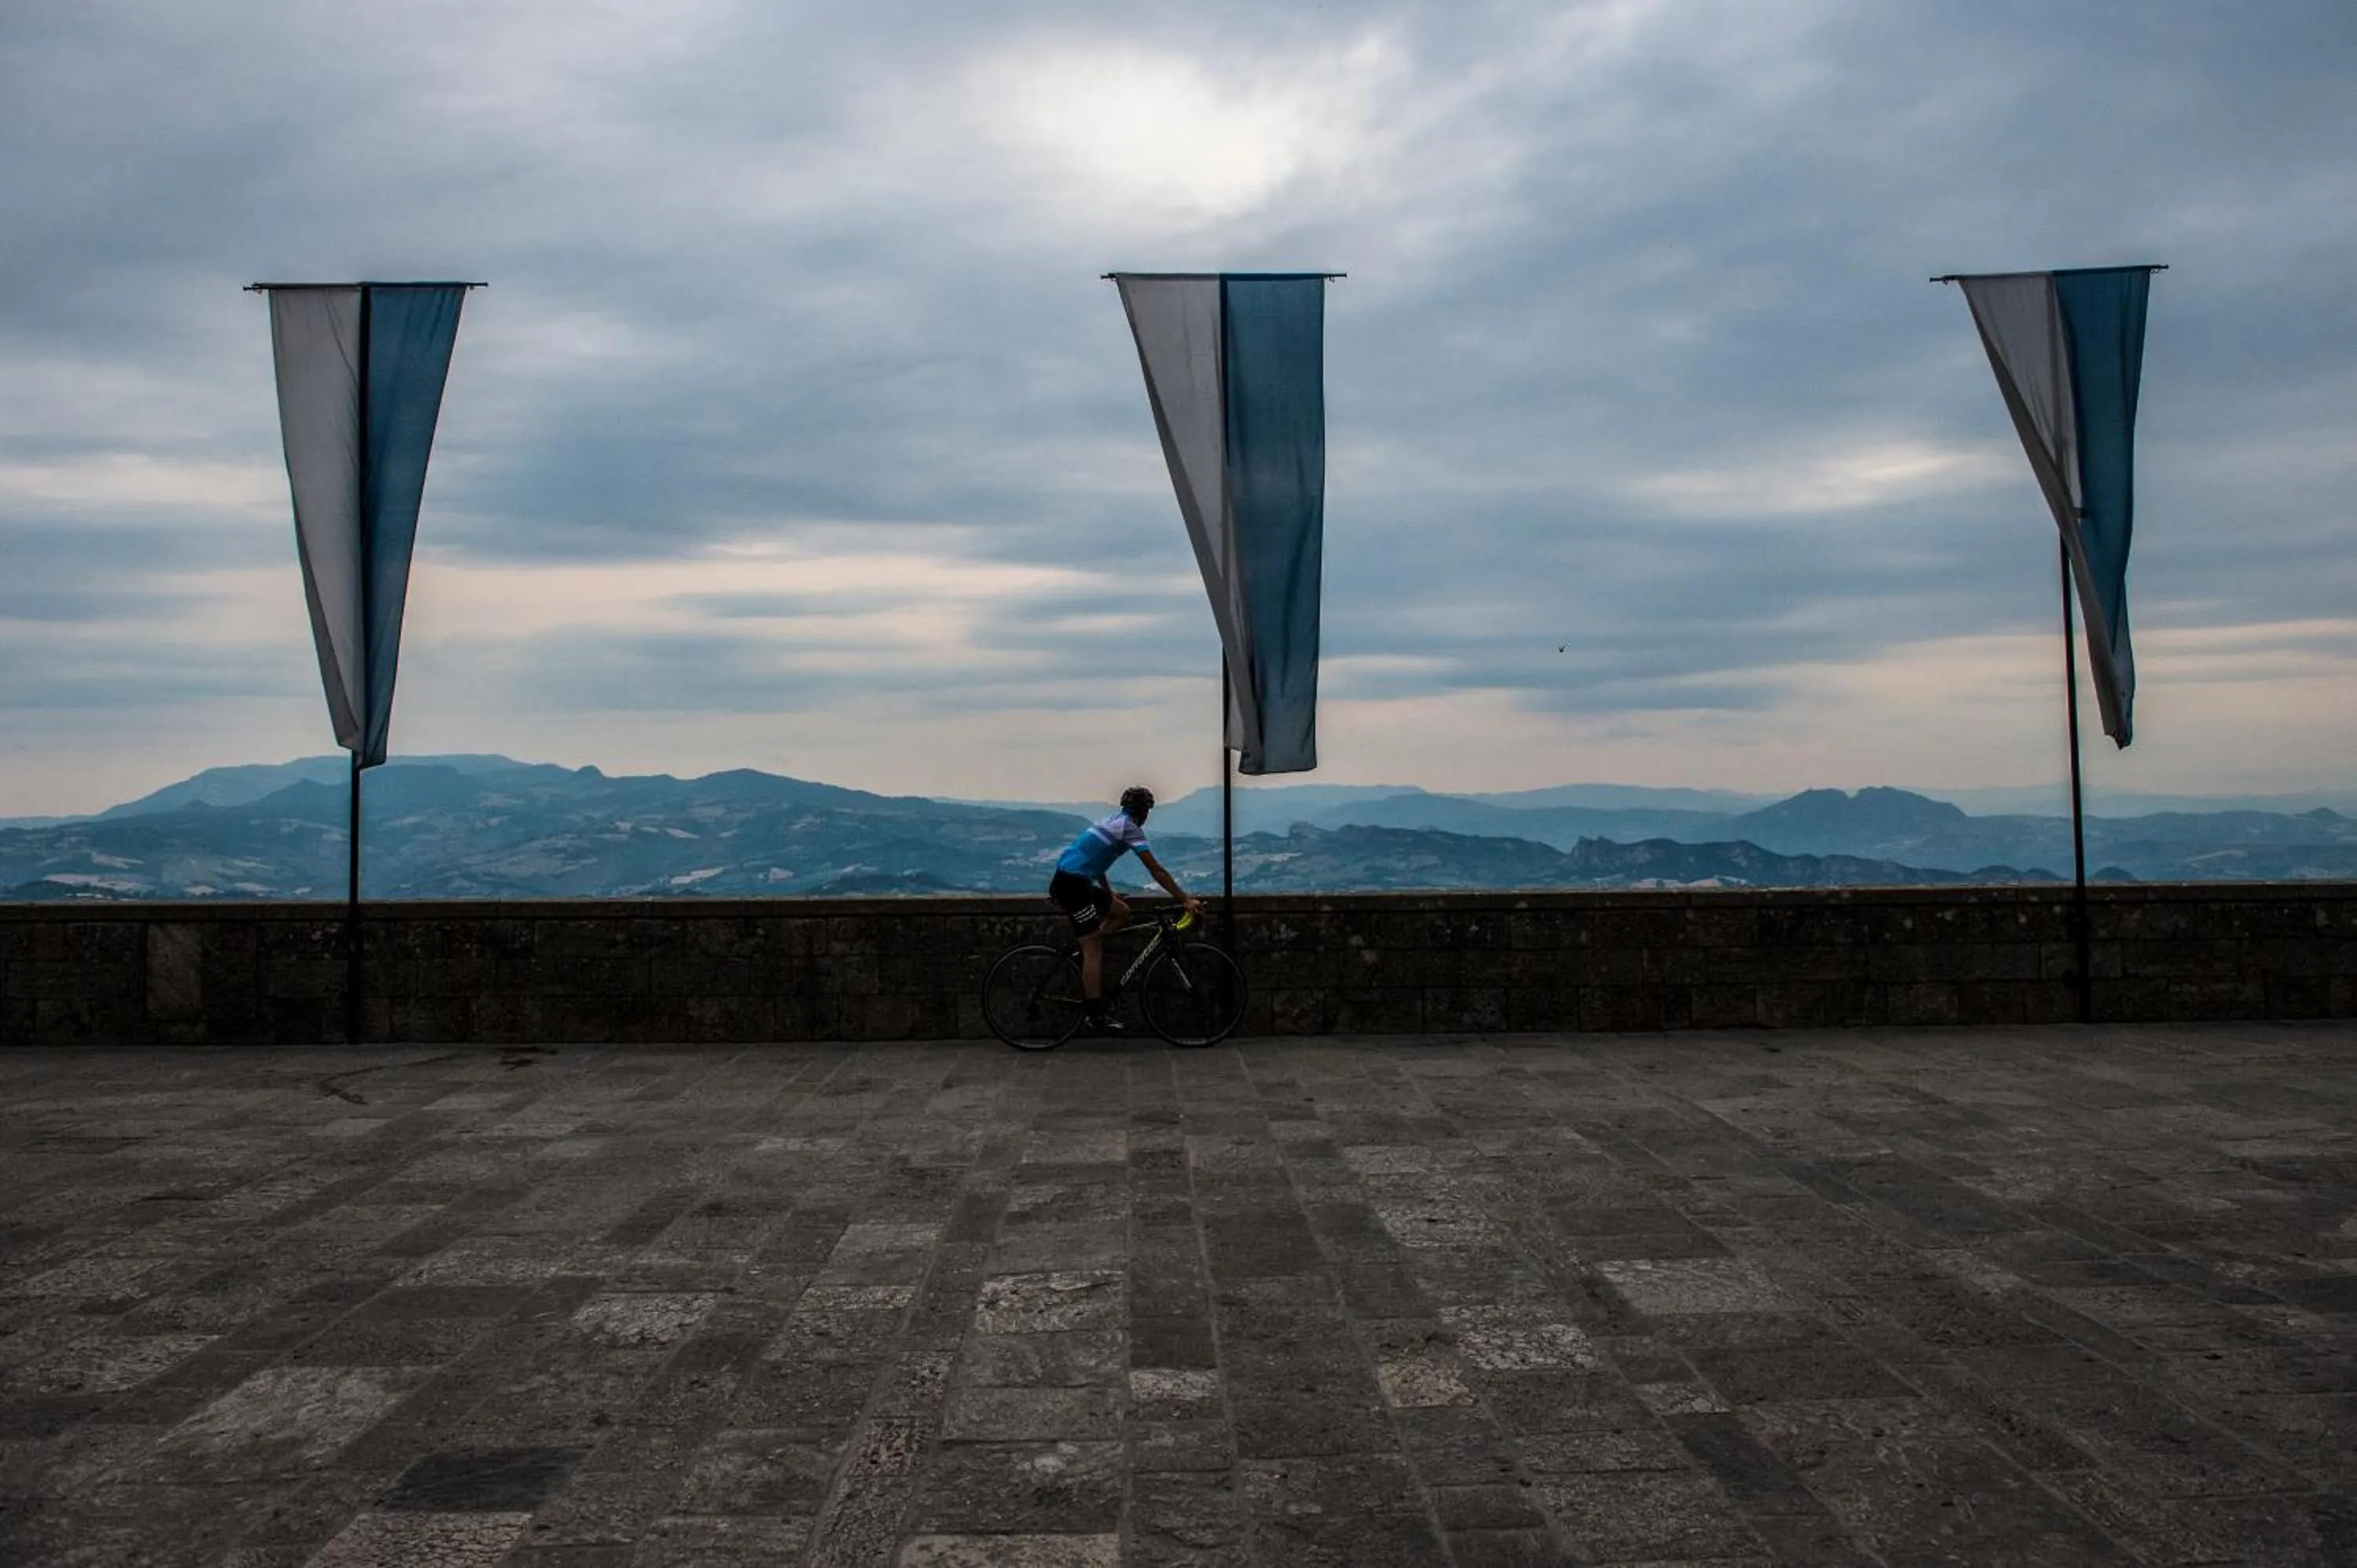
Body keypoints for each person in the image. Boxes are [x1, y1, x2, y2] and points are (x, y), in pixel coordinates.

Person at [1048, 785, 1202, 1031]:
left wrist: (1108, 893)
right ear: (1145, 812)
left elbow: (1097, 862)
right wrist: (1184, 899)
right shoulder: (1129, 828)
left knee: (1121, 912)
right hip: (1073, 885)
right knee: (1093, 948)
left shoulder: (1113, 821)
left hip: (1073, 879)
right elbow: (1156, 870)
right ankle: (1094, 1014)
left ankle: (1089, 946)